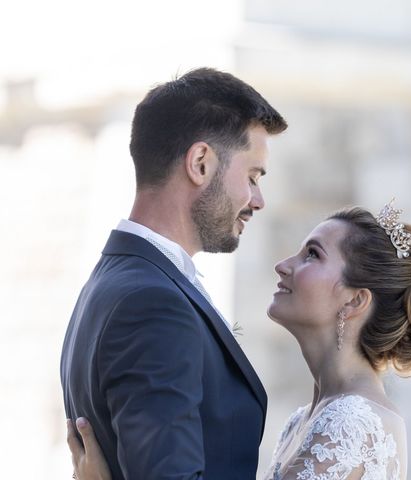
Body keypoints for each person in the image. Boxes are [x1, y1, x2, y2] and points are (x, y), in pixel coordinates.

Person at [67, 201, 411, 479]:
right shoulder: (306, 418)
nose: (284, 265)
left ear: (354, 300)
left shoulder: (353, 421)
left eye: (312, 255)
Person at [60, 67, 287, 480]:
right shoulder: (153, 304)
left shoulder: (113, 282)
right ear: (200, 163)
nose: (258, 200)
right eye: (252, 176)